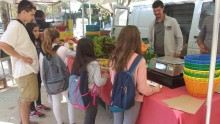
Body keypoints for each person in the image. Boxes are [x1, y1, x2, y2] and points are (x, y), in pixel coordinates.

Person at [109, 25, 161, 124]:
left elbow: (113, 81)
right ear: (137, 40)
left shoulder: (113, 57)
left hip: (117, 94)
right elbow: (142, 89)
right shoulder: (140, 60)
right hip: (133, 98)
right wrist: (155, 89)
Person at [0, 0, 38, 124]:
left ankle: (24, 121)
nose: (33, 17)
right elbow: (3, 44)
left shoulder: (19, 25)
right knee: (27, 99)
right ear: (23, 12)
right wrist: (21, 57)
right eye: (31, 14)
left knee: (24, 99)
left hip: (26, 70)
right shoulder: (15, 25)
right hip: (25, 70)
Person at [39, 28, 76, 124]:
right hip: (64, 79)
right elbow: (76, 55)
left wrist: (45, 83)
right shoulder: (63, 49)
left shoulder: (42, 52)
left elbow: (42, 69)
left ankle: (60, 122)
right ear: (56, 39)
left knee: (55, 102)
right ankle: (72, 122)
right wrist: (74, 44)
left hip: (50, 82)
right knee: (70, 100)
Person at [72, 38, 107, 124]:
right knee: (90, 118)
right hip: (92, 95)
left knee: (88, 115)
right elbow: (98, 82)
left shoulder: (78, 61)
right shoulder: (94, 63)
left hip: (81, 92)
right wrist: (105, 76)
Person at [26, 22, 51, 118]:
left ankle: (39, 104)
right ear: (29, 32)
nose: (37, 33)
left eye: (38, 30)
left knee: (38, 87)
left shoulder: (38, 41)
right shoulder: (28, 43)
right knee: (32, 90)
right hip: (31, 69)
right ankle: (32, 110)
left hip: (38, 68)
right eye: (35, 31)